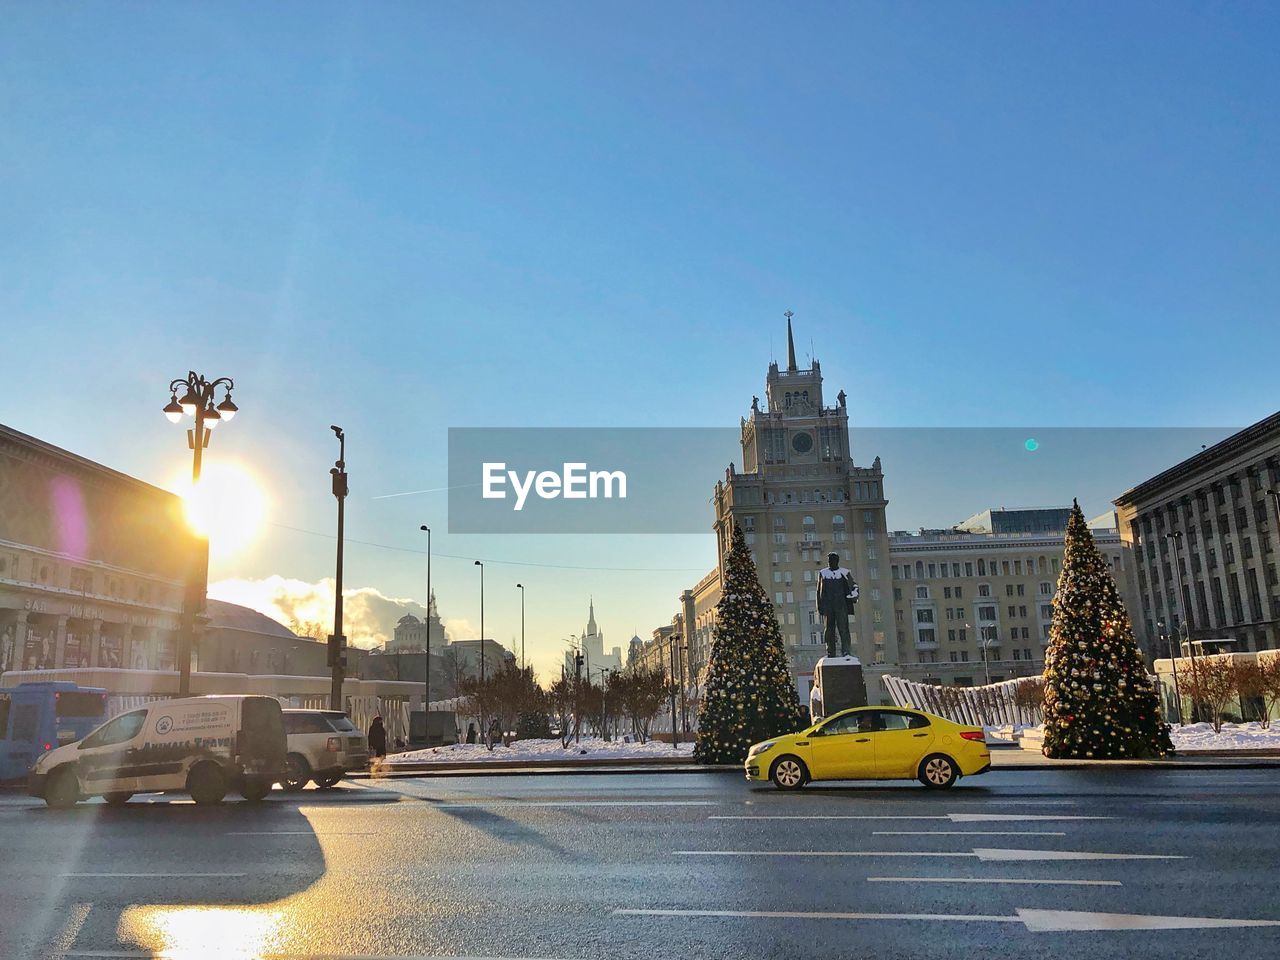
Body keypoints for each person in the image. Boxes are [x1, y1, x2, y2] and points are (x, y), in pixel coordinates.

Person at [817, 551, 859, 658]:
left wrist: (854, 595)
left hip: (841, 606)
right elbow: (819, 592)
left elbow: (854, 586)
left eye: (832, 561)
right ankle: (830, 652)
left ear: (837, 561)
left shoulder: (844, 573)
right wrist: (820, 607)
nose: (830, 563)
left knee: (843, 629)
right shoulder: (823, 573)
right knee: (829, 631)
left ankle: (846, 651)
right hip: (829, 607)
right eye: (829, 561)